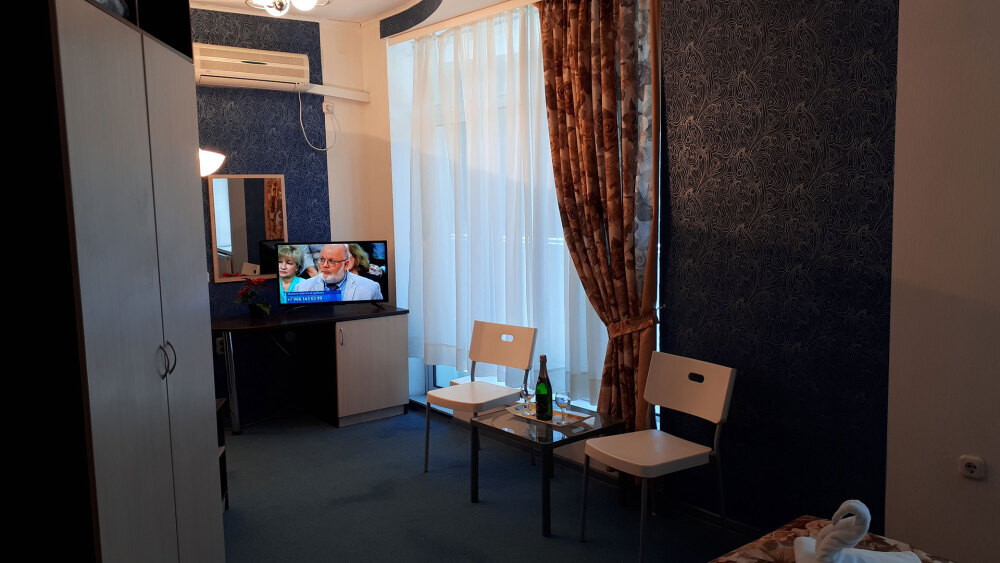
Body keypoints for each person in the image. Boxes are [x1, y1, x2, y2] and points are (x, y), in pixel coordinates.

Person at [292, 243, 383, 300]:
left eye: (332, 261)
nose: (325, 265)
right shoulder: (301, 288)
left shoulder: (371, 289)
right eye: (322, 260)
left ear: (346, 265)